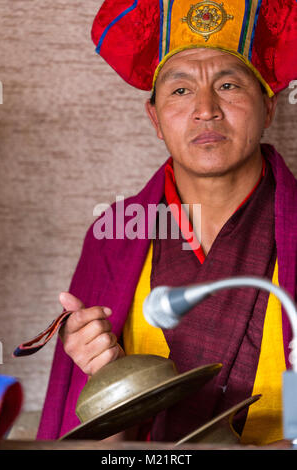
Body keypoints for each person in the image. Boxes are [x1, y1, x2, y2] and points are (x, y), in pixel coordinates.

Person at [36, 0, 297, 445]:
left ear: (268, 108)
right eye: (180, 90)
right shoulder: (116, 235)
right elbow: (96, 444)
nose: (206, 109)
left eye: (229, 84)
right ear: (155, 118)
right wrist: (106, 376)